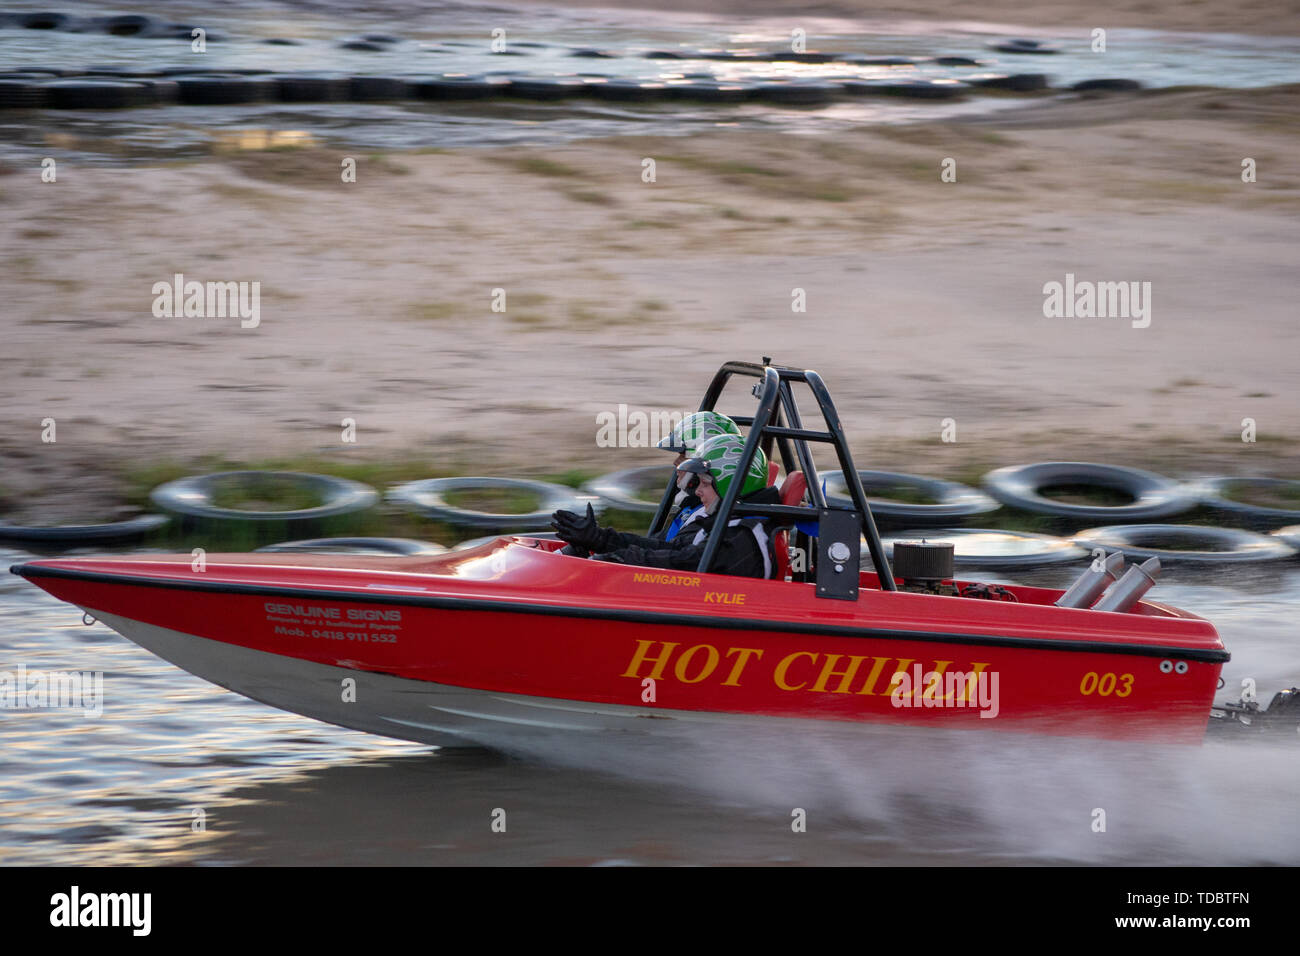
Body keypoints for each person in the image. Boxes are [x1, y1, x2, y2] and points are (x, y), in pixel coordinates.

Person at [553, 434, 781, 578]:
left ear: (730, 484)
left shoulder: (741, 538)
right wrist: (601, 540)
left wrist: (614, 558)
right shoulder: (726, 523)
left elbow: (680, 563)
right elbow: (673, 551)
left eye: (705, 483)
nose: (698, 490)